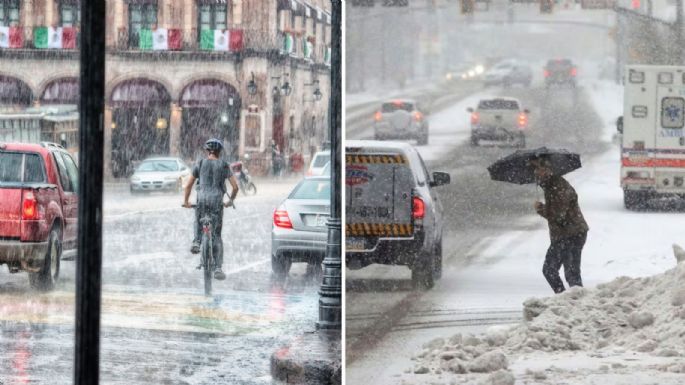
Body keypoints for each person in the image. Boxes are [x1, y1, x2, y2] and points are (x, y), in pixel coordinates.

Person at [182, 138, 239, 281]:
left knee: (198, 219)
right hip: (216, 202)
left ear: (207, 151)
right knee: (217, 236)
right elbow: (235, 187)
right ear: (220, 152)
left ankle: (196, 241)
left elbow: (188, 185)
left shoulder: (200, 163)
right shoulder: (224, 165)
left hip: (201, 200)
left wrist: (186, 201)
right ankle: (218, 267)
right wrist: (230, 201)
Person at [532, 156, 589, 294]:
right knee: (570, 273)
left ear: (548, 169)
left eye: (539, 168)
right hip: (568, 233)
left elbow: (558, 216)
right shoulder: (550, 185)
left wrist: (540, 209)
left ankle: (567, 302)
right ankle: (570, 303)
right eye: (534, 169)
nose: (535, 172)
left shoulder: (558, 186)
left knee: (555, 270)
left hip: (571, 234)